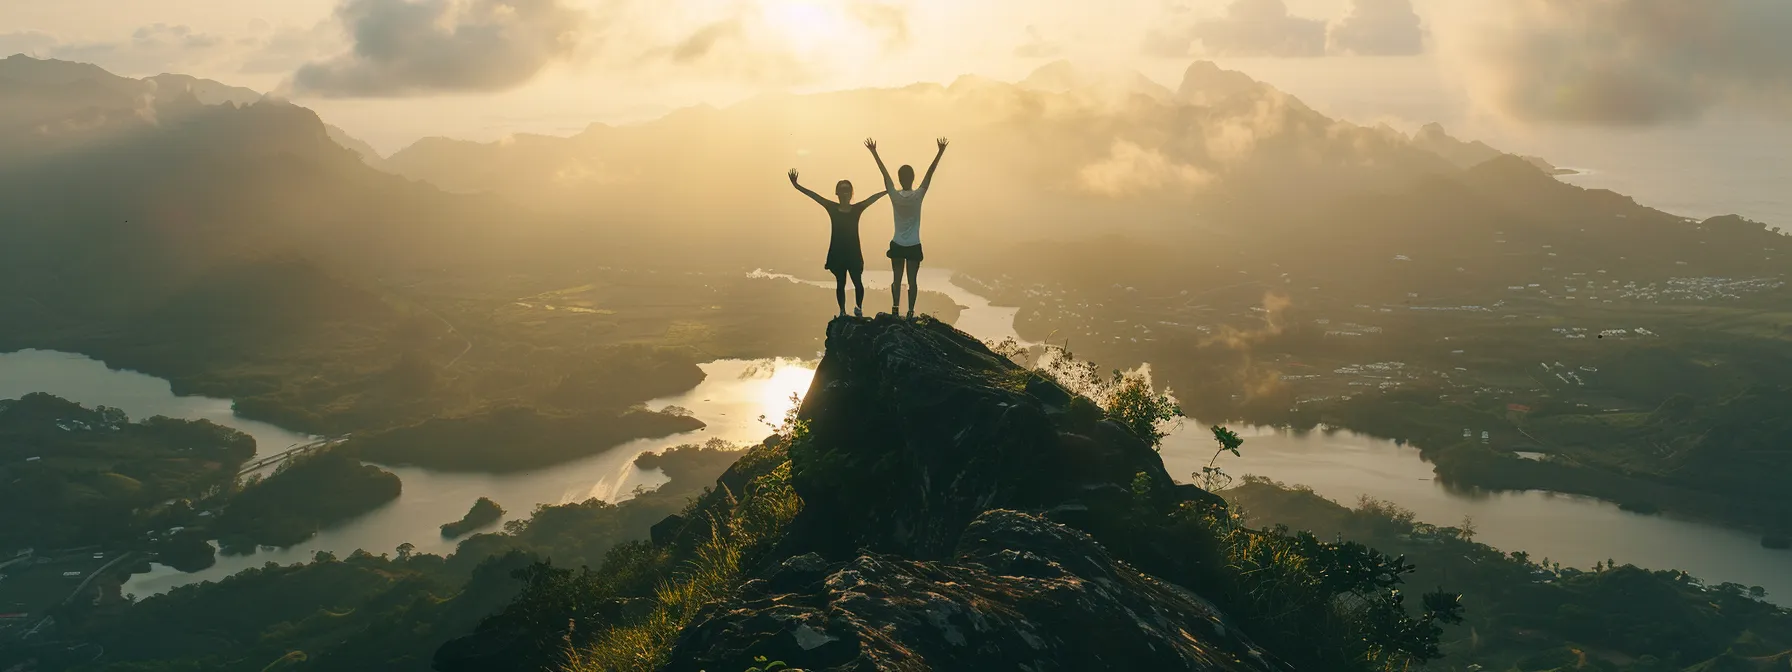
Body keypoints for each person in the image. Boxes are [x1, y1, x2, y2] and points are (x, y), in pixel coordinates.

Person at [865, 137, 948, 319]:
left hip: (897, 243)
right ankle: (910, 311)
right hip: (913, 244)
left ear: (900, 179)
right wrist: (940, 152)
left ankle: (895, 308)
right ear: (912, 178)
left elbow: (884, 174)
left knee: (896, 279)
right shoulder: (918, 195)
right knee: (912, 281)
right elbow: (930, 173)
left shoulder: (895, 195)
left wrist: (874, 152)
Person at [788, 169, 886, 317]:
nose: (844, 193)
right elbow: (815, 196)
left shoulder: (856, 209)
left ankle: (858, 308)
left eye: (847, 190)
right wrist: (797, 186)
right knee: (841, 283)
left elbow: (872, 199)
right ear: (837, 193)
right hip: (838, 253)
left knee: (857, 283)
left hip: (853, 253)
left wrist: (889, 190)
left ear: (851, 193)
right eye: (842, 190)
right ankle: (842, 312)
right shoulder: (832, 208)